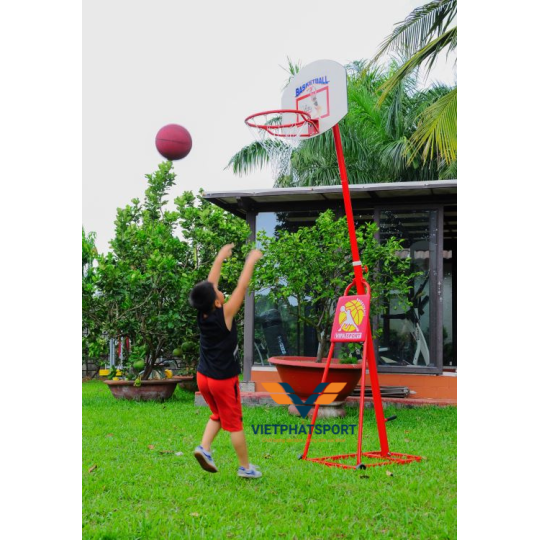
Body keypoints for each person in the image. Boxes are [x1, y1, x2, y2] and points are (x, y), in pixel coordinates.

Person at [188, 243, 263, 479]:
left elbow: (211, 284)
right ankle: (245, 467)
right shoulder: (225, 314)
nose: (219, 290)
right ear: (218, 302)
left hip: (203, 377)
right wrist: (250, 261)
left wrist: (220, 257)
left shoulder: (203, 313)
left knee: (218, 415)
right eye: (218, 292)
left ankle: (204, 447)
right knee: (235, 423)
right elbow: (242, 287)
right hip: (222, 381)